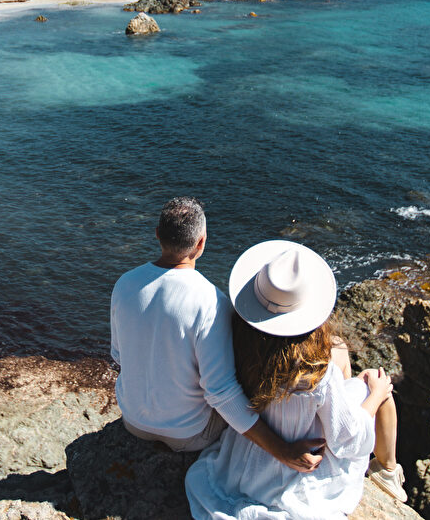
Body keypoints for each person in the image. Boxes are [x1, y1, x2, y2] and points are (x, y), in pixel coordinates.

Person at [184, 241, 406, 520]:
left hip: (248, 456)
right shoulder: (316, 373)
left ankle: (380, 458)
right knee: (374, 379)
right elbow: (345, 440)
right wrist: (375, 395)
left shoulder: (235, 340)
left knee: (341, 358)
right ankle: (387, 471)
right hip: (298, 466)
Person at [111, 198, 325, 473]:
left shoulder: (124, 284)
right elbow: (221, 392)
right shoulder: (211, 301)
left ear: (157, 235)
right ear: (201, 243)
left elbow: (118, 355)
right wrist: (282, 451)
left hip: (133, 422)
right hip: (188, 435)